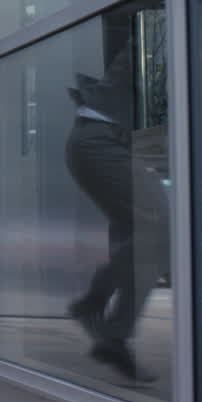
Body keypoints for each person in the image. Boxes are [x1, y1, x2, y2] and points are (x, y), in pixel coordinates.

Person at [65, 47, 168, 384]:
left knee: (148, 244)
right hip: (97, 144)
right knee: (160, 224)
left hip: (105, 145)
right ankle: (95, 304)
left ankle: (115, 338)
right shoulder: (163, 42)